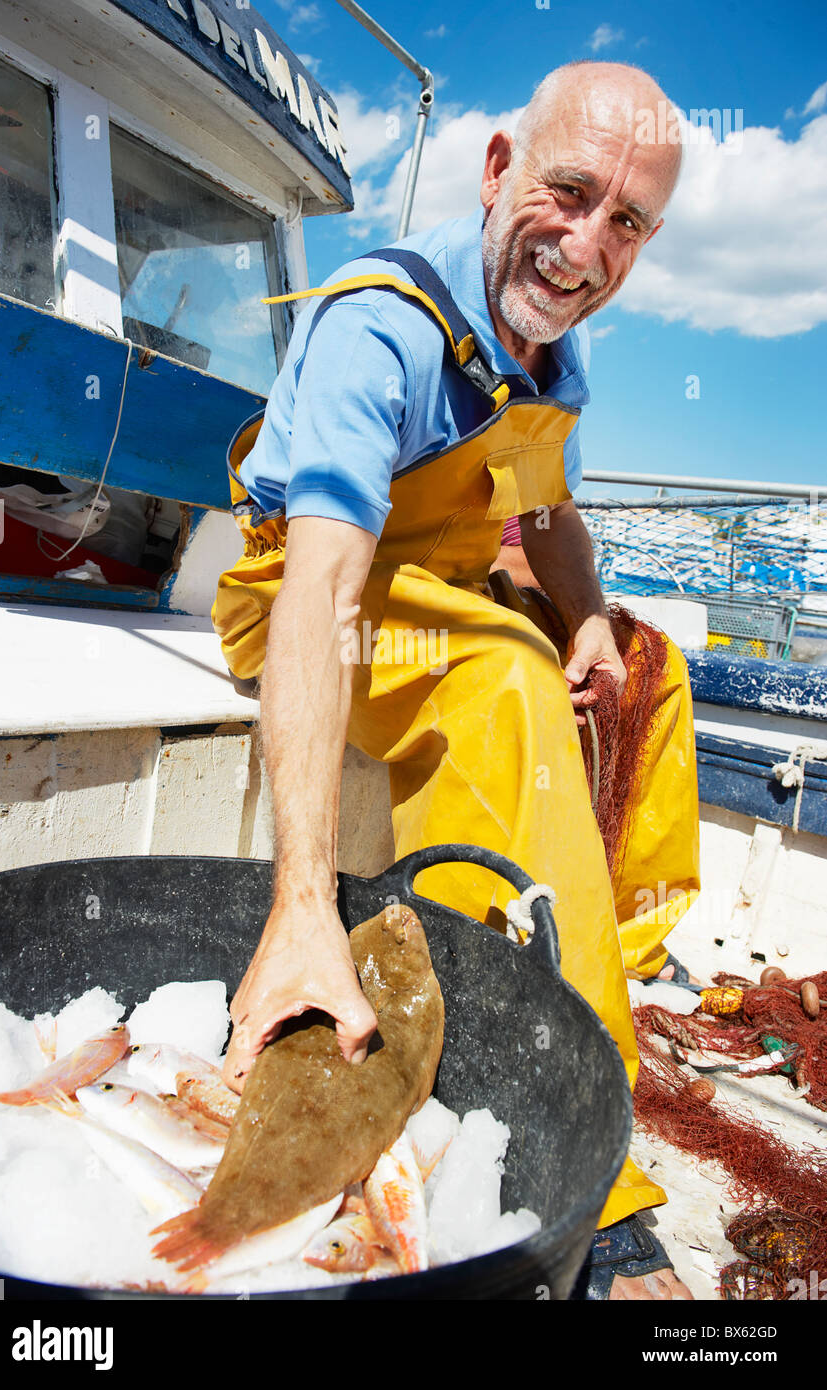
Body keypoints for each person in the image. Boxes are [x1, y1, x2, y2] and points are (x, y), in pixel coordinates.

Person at [212, 60, 700, 1299]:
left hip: (429, 586)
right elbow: (321, 592)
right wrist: (302, 903)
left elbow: (545, 522)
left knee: (651, 669)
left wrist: (589, 620)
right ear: (496, 172)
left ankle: (609, 948)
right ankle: (598, 1179)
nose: (586, 248)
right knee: (505, 680)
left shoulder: (555, 359)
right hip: (313, 599)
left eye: (628, 222)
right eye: (569, 193)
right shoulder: (381, 324)